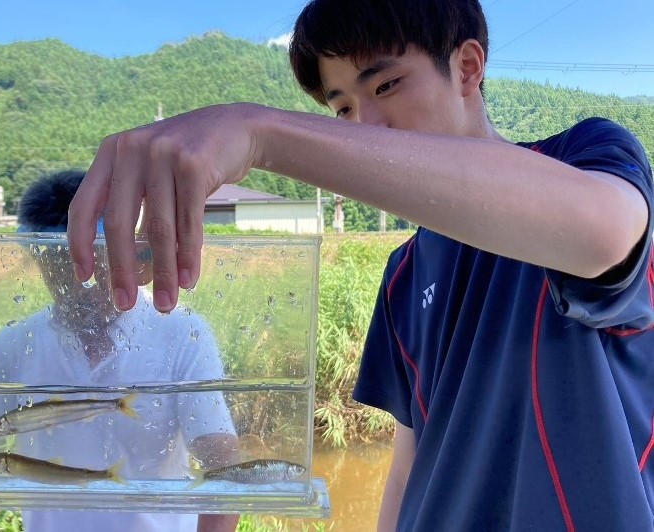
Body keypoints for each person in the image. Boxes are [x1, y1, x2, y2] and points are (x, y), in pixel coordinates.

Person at [66, 1, 654, 530]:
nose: (365, 126)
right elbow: (407, 459)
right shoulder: (403, 272)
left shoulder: (584, 159)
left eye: (388, 84)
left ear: (469, 67)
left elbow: (603, 231)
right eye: (342, 107)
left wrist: (258, 133)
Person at [0, 170, 240, 532]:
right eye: (61, 262)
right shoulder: (16, 343)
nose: (80, 278)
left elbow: (221, 460)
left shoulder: (181, 332)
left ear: (121, 251)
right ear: (37, 258)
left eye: (94, 258)